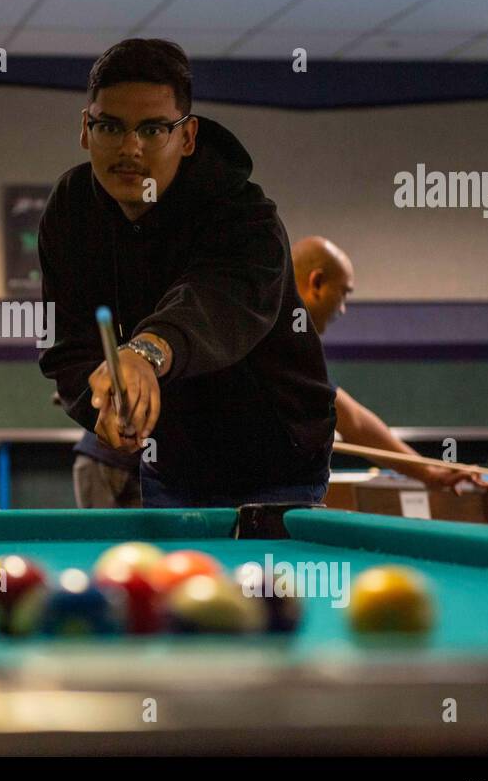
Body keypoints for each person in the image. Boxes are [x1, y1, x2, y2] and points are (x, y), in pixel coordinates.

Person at [39, 39, 336, 508]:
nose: (130, 148)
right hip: (172, 464)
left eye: (153, 129)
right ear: (85, 129)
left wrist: (145, 352)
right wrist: (103, 406)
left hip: (278, 461)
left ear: (188, 136)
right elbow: (70, 346)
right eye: (110, 126)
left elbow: (212, 302)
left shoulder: (245, 216)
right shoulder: (72, 210)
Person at [291, 236, 479, 489]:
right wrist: (431, 473)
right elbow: (353, 423)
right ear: (317, 282)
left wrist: (432, 473)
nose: (343, 309)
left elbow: (353, 420)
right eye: (343, 293)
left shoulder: (288, 336)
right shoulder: (287, 340)